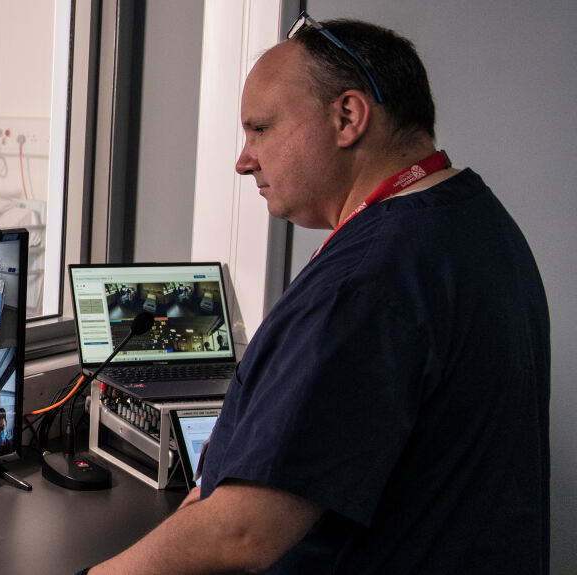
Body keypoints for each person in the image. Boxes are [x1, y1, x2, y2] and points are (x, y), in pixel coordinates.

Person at [85, 16, 547, 575]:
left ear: (347, 117)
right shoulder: (474, 221)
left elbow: (242, 532)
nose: (243, 159)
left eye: (260, 129)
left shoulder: (368, 282)